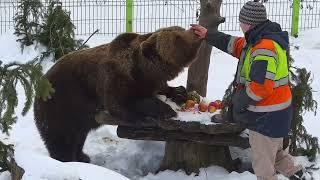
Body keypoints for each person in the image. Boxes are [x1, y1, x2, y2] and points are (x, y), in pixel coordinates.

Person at [191, 1, 308, 180]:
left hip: (266, 117)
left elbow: (260, 89)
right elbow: (234, 44)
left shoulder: (263, 48)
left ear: (249, 23)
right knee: (276, 154)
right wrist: (208, 35)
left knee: (263, 167)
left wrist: (236, 102)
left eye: (241, 21)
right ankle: (299, 176)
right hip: (278, 113)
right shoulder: (259, 39)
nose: (240, 25)